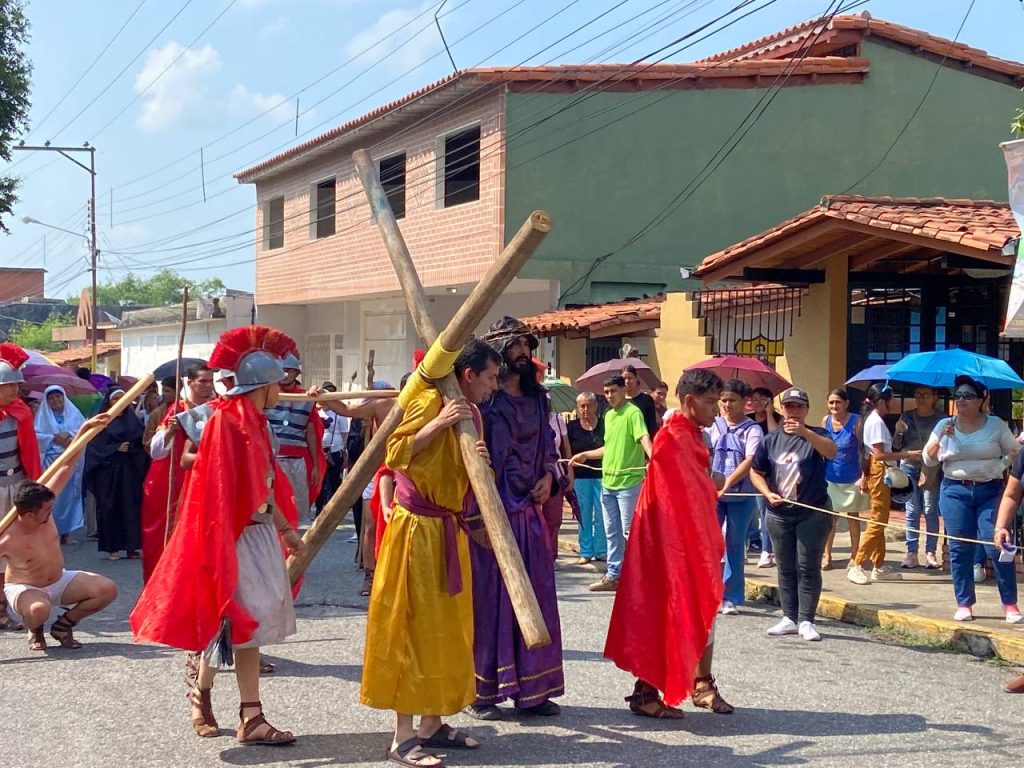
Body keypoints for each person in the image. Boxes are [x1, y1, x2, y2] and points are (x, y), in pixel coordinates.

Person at [131, 325, 304, 746]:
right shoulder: (226, 421)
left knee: (249, 625)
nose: (283, 391)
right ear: (263, 387)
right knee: (229, 623)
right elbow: (233, 489)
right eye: (277, 385)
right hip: (232, 535)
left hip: (255, 532)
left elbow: (262, 482)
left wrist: (282, 528)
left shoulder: (255, 421)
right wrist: (282, 527)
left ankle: (249, 714)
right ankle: (207, 694)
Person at [361, 339, 499, 767]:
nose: (494, 386)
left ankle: (432, 723)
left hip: (447, 530)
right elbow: (393, 453)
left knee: (445, 629)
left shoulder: (473, 414)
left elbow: (466, 480)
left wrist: (481, 462)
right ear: (468, 374)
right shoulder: (427, 401)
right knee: (411, 628)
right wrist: (438, 423)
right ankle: (402, 737)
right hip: (416, 530)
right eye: (490, 378)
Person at [605, 369, 733, 719]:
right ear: (690, 401)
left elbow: (692, 486)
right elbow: (677, 494)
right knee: (661, 613)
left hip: (690, 542)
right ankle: (645, 691)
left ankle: (701, 683)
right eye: (711, 402)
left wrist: (707, 480)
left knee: (700, 609)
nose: (717, 409)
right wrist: (711, 482)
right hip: (667, 545)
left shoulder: (692, 435)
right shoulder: (671, 438)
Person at [465, 316, 564, 721]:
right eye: (516, 346)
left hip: (528, 514)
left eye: (527, 346)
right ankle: (482, 692)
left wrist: (548, 477)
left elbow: (550, 449)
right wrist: (478, 515)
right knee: (490, 602)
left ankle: (534, 691)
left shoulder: (540, 400)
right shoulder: (484, 403)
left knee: (537, 597)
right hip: (491, 515)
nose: (524, 353)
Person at [924, 376, 1019, 622]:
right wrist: (941, 439)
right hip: (955, 490)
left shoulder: (995, 425)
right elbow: (929, 459)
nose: (961, 400)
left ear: (980, 400)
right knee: (959, 547)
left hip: (990, 490)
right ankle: (964, 603)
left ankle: (1010, 603)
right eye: (958, 396)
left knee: (996, 543)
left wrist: (1001, 465)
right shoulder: (945, 424)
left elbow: (1015, 453)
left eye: (967, 396)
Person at [750, 387, 836, 641]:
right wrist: (767, 493)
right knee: (785, 566)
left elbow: (831, 452)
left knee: (808, 566)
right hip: (779, 513)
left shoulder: (818, 434)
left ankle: (807, 620)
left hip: (812, 511)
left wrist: (805, 432)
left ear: (806, 409)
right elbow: (756, 471)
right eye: (789, 406)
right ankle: (789, 616)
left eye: (799, 406)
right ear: (782, 409)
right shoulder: (770, 440)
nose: (794, 411)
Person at [1, 478, 117, 651]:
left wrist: (74, 457)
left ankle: (62, 627)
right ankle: (35, 630)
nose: (52, 511)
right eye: (48, 509)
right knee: (39, 610)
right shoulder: (7, 539)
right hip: (26, 588)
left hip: (59, 579)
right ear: (30, 515)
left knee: (107, 589)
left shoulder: (43, 509)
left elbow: (63, 470)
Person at [574, 375, 652, 592]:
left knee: (630, 532)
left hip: (628, 483)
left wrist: (654, 459)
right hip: (608, 482)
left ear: (623, 390)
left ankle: (640, 577)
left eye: (613, 391)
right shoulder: (608, 416)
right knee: (611, 532)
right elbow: (608, 447)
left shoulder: (633, 413)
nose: (609, 396)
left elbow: (644, 437)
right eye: (606, 392)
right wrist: (586, 455)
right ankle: (613, 575)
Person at [140, 364, 215, 583]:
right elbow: (156, 451)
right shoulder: (176, 410)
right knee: (163, 539)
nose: (208, 386)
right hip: (171, 483)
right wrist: (170, 431)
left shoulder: (217, 409)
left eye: (211, 381)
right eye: (203, 381)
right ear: (190, 383)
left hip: (205, 481)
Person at [847, 384, 920, 586]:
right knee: (878, 519)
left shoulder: (872, 420)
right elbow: (879, 454)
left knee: (880, 519)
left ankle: (878, 565)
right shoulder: (876, 422)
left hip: (878, 469)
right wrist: (907, 454)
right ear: (881, 401)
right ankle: (857, 563)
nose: (894, 402)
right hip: (880, 470)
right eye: (891, 399)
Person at [706, 379, 761, 615]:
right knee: (709, 544)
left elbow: (750, 460)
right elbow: (705, 452)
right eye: (724, 400)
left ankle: (731, 596)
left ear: (744, 401)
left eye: (733, 400)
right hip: (713, 494)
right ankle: (709, 593)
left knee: (735, 545)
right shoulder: (713, 424)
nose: (727, 405)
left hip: (742, 494)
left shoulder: (752, 429)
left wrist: (727, 482)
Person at [0, 343, 44, 630]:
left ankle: (6, 607)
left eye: (17, 384)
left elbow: (29, 454)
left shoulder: (21, 412)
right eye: (10, 385)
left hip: (15, 484)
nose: (16, 390)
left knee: (13, 548)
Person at [84, 388, 149, 560]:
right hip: (108, 472)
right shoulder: (101, 422)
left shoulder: (132, 420)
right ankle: (111, 548)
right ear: (109, 402)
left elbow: (140, 443)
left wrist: (131, 448)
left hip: (129, 472)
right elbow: (94, 446)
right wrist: (115, 448)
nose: (119, 402)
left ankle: (131, 547)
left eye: (122, 398)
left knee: (131, 507)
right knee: (109, 507)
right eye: (115, 399)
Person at [264, 352, 325, 521]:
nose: (285, 374)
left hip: (298, 459)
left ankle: (293, 535)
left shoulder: (307, 396)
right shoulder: (267, 394)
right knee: (272, 504)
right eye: (282, 370)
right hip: (273, 458)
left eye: (289, 370)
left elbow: (311, 433)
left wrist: (315, 465)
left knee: (298, 505)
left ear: (296, 373)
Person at [894, 385, 942, 569]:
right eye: (918, 395)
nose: (921, 398)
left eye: (926, 395)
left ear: (934, 397)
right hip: (908, 465)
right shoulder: (906, 416)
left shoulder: (941, 419)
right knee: (912, 510)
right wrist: (899, 431)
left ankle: (931, 552)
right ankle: (911, 553)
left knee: (930, 509)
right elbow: (896, 445)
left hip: (931, 468)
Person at [820, 389, 868, 570]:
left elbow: (864, 449)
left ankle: (855, 556)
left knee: (853, 518)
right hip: (830, 476)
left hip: (852, 476)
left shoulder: (857, 421)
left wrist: (864, 476)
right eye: (831, 402)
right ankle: (827, 556)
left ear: (846, 403)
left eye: (838, 402)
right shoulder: (825, 421)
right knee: (829, 518)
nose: (834, 406)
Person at [34, 385, 86, 543]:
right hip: (50, 462)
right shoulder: (42, 416)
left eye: (58, 396)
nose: (55, 400)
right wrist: (53, 438)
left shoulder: (74, 413)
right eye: (51, 398)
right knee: (51, 496)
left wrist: (69, 435)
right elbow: (36, 435)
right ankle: (50, 531)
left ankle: (66, 533)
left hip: (70, 461)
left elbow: (83, 430)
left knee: (68, 497)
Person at [566, 391, 606, 564]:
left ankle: (601, 550)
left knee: (602, 514)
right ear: (577, 407)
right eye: (582, 406)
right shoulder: (572, 427)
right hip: (580, 477)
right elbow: (567, 451)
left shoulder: (604, 424)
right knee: (583, 514)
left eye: (589, 405)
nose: (585, 409)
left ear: (595, 406)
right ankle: (586, 551)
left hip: (602, 474)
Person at [748, 386, 780, 567]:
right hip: (748, 470)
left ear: (770, 401)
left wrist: (769, 414)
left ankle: (767, 551)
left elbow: (775, 437)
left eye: (762, 399)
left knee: (764, 511)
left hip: (768, 473)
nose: (757, 403)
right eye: (754, 399)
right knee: (749, 512)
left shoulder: (778, 419)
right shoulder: (748, 420)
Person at [622, 364, 659, 438]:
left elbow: (652, 425)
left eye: (630, 378)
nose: (627, 381)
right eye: (624, 379)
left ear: (636, 379)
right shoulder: (618, 400)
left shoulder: (646, 399)